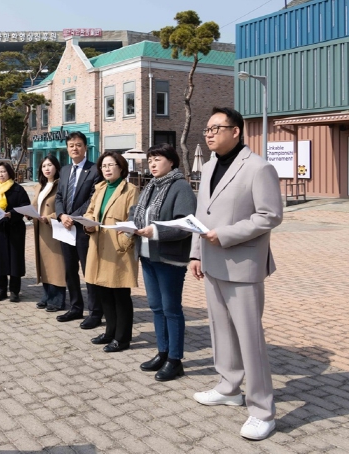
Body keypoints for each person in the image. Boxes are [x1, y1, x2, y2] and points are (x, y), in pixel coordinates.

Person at [190, 107, 283, 441]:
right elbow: (202, 214)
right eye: (207, 128)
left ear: (237, 132)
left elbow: (270, 215)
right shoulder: (210, 165)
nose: (210, 133)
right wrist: (195, 253)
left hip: (242, 264)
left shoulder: (259, 167)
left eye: (217, 127)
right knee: (221, 332)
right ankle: (229, 387)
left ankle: (262, 410)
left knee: (249, 338)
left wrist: (226, 234)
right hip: (212, 261)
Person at [130, 144, 197, 381]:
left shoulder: (181, 187)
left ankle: (175, 359)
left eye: (157, 159)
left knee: (171, 309)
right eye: (150, 160)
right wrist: (130, 226)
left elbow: (185, 225)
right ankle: (162, 352)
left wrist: (155, 231)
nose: (152, 164)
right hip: (148, 256)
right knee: (156, 307)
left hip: (169, 259)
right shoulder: (149, 186)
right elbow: (137, 212)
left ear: (171, 161)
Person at [82, 151, 139, 352]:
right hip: (98, 246)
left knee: (120, 295)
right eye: (103, 166)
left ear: (121, 167)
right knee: (103, 292)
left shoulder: (130, 190)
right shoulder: (99, 188)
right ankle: (110, 332)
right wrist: (87, 224)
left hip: (118, 250)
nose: (106, 169)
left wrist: (124, 241)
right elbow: (90, 212)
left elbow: (134, 219)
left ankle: (122, 338)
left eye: (110, 165)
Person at [54, 131, 102, 328]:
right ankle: (75, 307)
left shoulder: (95, 170)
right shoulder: (64, 170)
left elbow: (93, 198)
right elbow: (58, 197)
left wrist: (73, 217)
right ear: (67, 148)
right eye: (71, 145)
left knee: (88, 270)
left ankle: (95, 311)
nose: (75, 148)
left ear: (85, 147)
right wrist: (61, 215)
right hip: (65, 228)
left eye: (79, 145)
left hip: (83, 228)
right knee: (70, 270)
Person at [0, 162, 30, 302]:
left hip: (14, 229)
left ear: (9, 172)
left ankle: (15, 291)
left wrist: (11, 214)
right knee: (0, 259)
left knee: (14, 259)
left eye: (3, 171)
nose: (1, 174)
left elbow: (25, 207)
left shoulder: (18, 190)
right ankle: (1, 290)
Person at [31, 155, 66, 311]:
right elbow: (34, 205)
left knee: (56, 266)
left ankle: (58, 300)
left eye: (50, 165)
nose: (47, 168)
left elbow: (64, 208)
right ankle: (47, 295)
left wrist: (50, 217)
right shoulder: (40, 186)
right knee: (44, 264)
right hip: (40, 231)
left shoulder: (61, 185)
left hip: (54, 229)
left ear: (57, 167)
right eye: (44, 166)